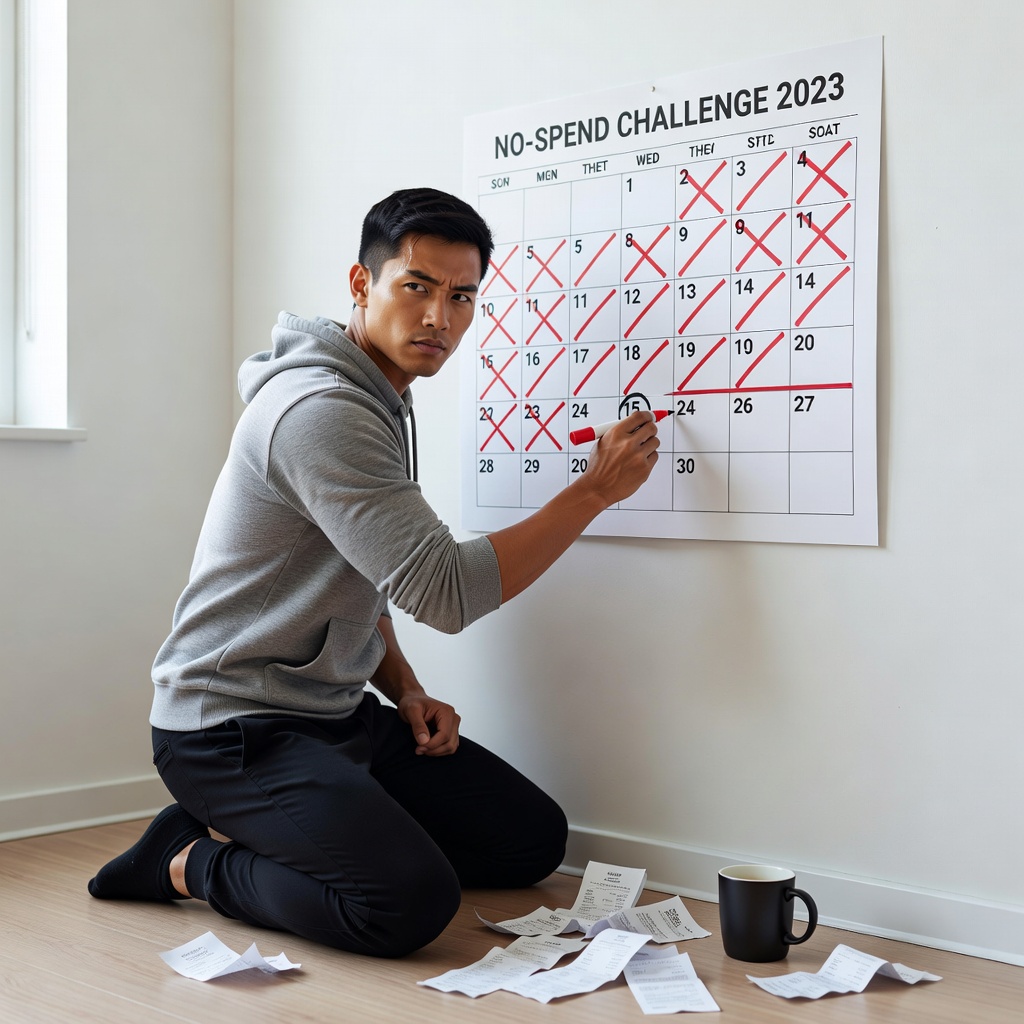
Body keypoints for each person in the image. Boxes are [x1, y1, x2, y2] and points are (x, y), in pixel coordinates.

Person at [88, 187, 661, 957]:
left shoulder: (380, 394)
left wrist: (408, 690)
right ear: (361, 285)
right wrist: (594, 490)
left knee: (529, 843)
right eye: (416, 287)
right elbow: (445, 591)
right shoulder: (323, 411)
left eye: (462, 297)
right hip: (231, 729)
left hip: (333, 717)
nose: (440, 318)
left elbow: (366, 577)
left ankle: (302, 822)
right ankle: (189, 859)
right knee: (407, 903)